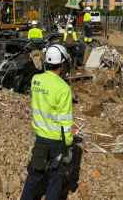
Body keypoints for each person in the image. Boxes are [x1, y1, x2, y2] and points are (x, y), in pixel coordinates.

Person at [21, 44, 75, 200]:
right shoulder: (63, 88)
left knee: (34, 175)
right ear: (62, 63)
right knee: (55, 178)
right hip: (56, 142)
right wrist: (68, 144)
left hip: (40, 139)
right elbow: (65, 122)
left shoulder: (36, 80)